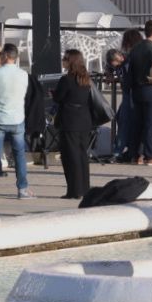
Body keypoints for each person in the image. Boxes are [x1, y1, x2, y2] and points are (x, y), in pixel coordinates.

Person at [0, 44, 31, 198]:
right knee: (19, 154)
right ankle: (22, 189)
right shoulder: (23, 74)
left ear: (5, 56)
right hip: (17, 118)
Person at [51, 49, 97, 199]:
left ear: (70, 61)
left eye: (65, 59)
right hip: (84, 119)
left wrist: (53, 93)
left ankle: (74, 190)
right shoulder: (85, 78)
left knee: (71, 156)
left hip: (70, 120)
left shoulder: (67, 79)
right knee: (82, 154)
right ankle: (84, 188)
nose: (63, 61)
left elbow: (59, 97)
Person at [128, 20, 152, 166]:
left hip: (136, 89)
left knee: (138, 123)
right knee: (151, 124)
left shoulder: (136, 47)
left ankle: (136, 155)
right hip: (149, 89)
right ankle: (151, 156)